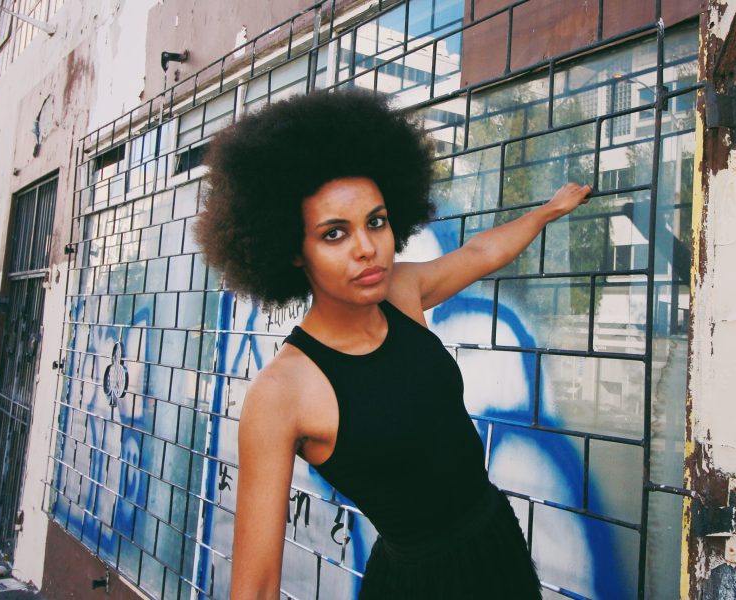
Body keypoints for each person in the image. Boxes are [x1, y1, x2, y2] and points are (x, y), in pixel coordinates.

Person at [194, 89, 591, 600]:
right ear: (292, 250)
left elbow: (480, 251)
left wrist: (546, 213)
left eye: (375, 222)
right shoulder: (281, 395)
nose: (367, 248)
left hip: (497, 543)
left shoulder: (401, 292)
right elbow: (255, 588)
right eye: (335, 234)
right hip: (419, 584)